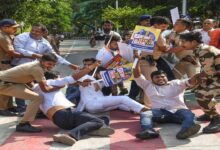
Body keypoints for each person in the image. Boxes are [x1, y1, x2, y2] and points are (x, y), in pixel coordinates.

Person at [33, 67, 114, 146]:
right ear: (55, 79)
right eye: (59, 78)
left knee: (104, 119)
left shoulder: (37, 88)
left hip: (60, 121)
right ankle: (70, 135)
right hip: (65, 113)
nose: (61, 80)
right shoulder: (50, 82)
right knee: (99, 122)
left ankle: (91, 129)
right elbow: (71, 79)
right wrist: (89, 69)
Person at [12, 23, 79, 113]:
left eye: (37, 31)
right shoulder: (21, 37)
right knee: (21, 88)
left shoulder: (45, 42)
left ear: (43, 33)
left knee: (37, 88)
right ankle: (21, 108)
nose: (34, 32)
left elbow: (53, 55)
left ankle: (37, 108)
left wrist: (69, 64)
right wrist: (34, 55)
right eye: (33, 30)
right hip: (20, 66)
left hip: (36, 68)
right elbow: (18, 49)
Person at [133, 61, 201, 140]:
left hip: (178, 112)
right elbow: (137, 75)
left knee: (189, 115)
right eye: (157, 77)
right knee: (145, 114)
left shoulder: (176, 83)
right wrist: (137, 60)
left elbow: (189, 82)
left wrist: (195, 78)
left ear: (166, 77)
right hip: (160, 113)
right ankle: (148, 131)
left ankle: (185, 131)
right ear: (152, 80)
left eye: (162, 77)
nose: (160, 79)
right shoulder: (147, 85)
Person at [0, 53, 62, 132]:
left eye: (54, 65)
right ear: (42, 61)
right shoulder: (37, 69)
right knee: (37, 98)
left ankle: (36, 112)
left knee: (36, 94)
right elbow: (45, 89)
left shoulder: (38, 64)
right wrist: (60, 86)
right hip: (4, 84)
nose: (51, 66)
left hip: (11, 82)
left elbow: (29, 79)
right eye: (49, 64)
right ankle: (23, 124)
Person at [179, 31, 220, 133]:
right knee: (198, 89)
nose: (181, 44)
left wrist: (195, 78)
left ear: (193, 42)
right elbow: (208, 69)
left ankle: (217, 119)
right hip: (216, 75)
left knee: (202, 94)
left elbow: (209, 71)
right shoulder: (200, 49)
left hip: (216, 76)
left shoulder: (204, 51)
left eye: (184, 41)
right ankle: (209, 113)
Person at [74, 67, 149, 114]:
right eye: (102, 74)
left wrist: (114, 82)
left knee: (119, 104)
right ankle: (145, 109)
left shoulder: (101, 82)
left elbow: (114, 94)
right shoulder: (87, 77)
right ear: (96, 74)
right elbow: (73, 82)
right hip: (93, 103)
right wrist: (83, 82)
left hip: (96, 108)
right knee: (123, 98)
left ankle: (134, 110)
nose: (104, 76)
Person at [0, 19, 26, 116]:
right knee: (4, 86)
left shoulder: (7, 35)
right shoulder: (2, 37)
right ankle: (2, 108)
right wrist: (31, 55)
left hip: (6, 64)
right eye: (14, 28)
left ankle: (9, 106)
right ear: (5, 28)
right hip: (2, 65)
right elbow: (12, 52)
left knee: (8, 85)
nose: (16, 29)